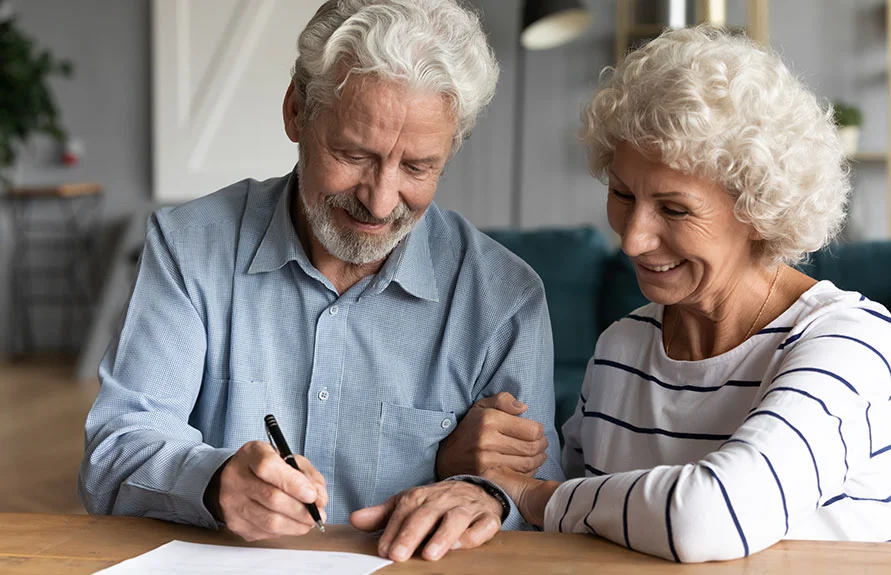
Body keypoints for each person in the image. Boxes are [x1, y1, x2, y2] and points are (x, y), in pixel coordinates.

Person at [78, 0, 562, 562]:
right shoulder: (189, 247)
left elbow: (540, 507)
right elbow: (114, 451)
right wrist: (212, 482)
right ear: (295, 113)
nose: (380, 201)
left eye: (417, 167)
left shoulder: (504, 298)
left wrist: (479, 488)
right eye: (353, 154)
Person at [459, 26, 891, 562]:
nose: (633, 238)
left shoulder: (852, 344)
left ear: (759, 209)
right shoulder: (623, 347)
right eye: (621, 194)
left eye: (675, 209)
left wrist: (534, 496)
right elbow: (571, 522)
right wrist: (482, 470)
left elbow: (709, 517)